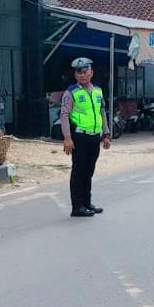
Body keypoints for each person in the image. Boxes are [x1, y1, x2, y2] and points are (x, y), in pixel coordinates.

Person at [59, 57, 111, 218]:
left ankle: (87, 203)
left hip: (94, 137)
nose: (82, 75)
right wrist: (67, 138)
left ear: (91, 73)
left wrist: (106, 134)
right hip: (79, 138)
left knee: (89, 171)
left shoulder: (97, 91)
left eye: (85, 71)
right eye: (78, 72)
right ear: (75, 75)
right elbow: (64, 115)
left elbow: (102, 112)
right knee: (78, 172)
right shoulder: (71, 93)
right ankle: (77, 207)